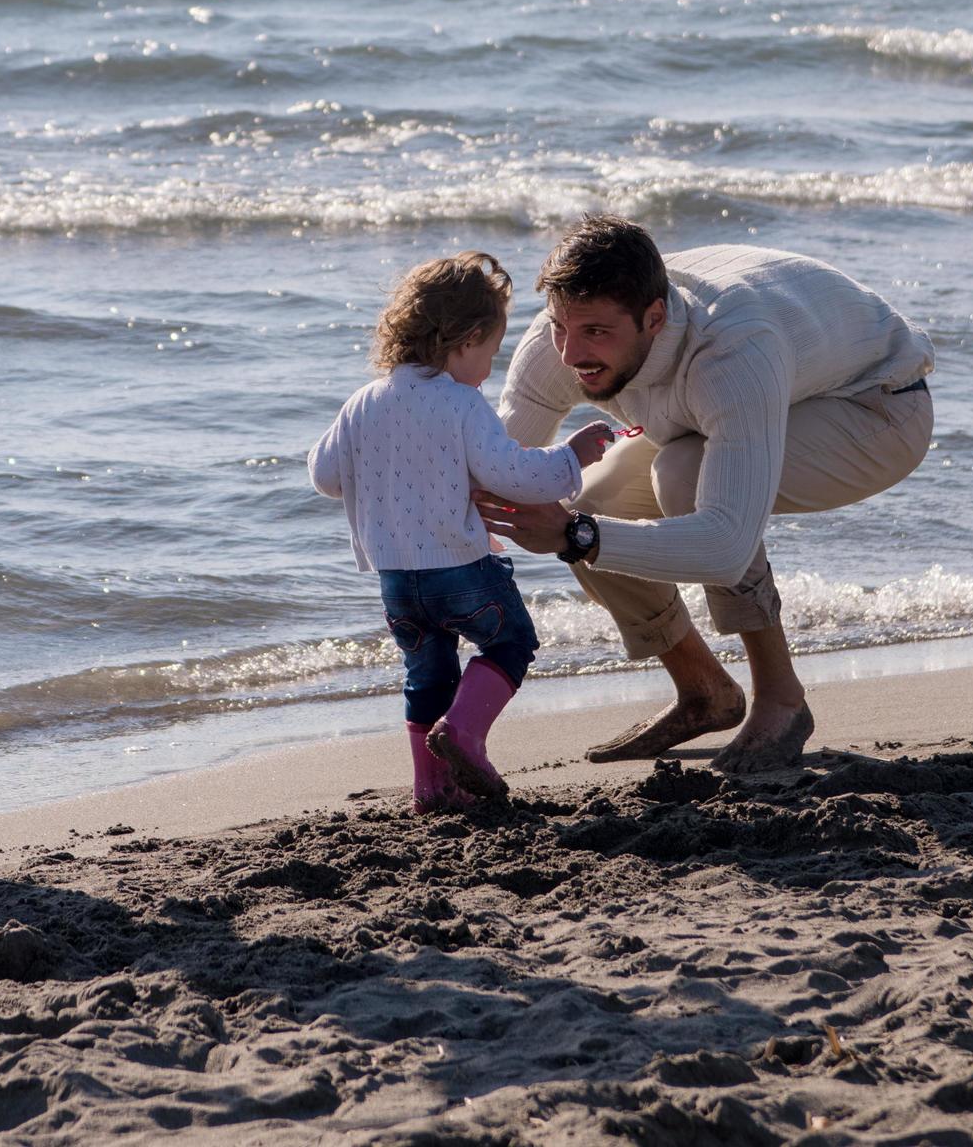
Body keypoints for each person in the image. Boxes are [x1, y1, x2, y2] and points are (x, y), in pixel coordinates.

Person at [472, 215, 933, 775]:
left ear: (655, 318)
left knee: (680, 477)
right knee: (592, 496)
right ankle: (704, 690)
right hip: (717, 408)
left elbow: (724, 546)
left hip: (877, 408)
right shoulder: (565, 335)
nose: (571, 354)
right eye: (560, 328)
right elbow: (498, 470)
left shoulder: (733, 351)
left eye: (595, 332)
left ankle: (781, 700)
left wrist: (573, 536)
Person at [309, 252, 617, 809]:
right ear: (467, 339)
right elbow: (512, 474)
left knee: (426, 673)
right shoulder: (462, 403)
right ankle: (464, 733)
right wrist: (573, 456)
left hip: (398, 581)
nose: (489, 370)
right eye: (491, 354)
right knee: (510, 641)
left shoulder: (362, 402)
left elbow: (325, 475)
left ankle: (431, 788)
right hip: (460, 569)